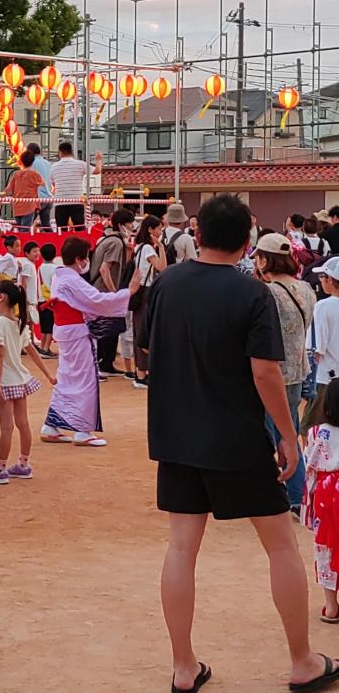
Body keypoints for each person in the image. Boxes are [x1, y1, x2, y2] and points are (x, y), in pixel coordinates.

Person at [141, 192, 339, 693]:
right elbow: (265, 372)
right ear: (247, 240)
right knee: (279, 545)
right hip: (237, 437)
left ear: (198, 234)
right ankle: (302, 662)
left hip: (177, 434)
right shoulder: (253, 293)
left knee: (181, 547)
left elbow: (146, 349)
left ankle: (183, 669)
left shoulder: (166, 284)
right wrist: (288, 436)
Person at [41, 236, 135, 446]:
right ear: (78, 259)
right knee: (85, 379)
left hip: (66, 330)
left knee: (67, 377)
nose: (86, 263)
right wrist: (128, 292)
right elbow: (97, 300)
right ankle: (82, 430)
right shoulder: (71, 279)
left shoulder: (60, 276)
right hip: (76, 332)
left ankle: (52, 425)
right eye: (84, 259)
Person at [253, 233, 315, 514]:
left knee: (271, 435)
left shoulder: (268, 293)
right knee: (289, 431)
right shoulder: (306, 289)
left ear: (266, 259)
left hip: (274, 371)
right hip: (298, 370)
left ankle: (282, 493)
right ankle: (296, 495)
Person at [0, 280, 56, 484]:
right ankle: (23, 464)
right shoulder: (18, 324)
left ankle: (1, 468)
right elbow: (31, 351)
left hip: (4, 382)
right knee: (23, 424)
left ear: (1, 297)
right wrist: (48, 373)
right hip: (20, 380)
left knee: (6, 427)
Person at [303, 380, 339, 624]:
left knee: (326, 546)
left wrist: (307, 504)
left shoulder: (317, 433)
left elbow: (310, 468)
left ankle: (331, 606)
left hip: (327, 494)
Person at [88, 208, 135, 377]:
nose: (132, 226)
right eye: (129, 223)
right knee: (109, 328)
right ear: (122, 224)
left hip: (100, 289)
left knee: (108, 327)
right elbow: (105, 268)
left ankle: (106, 363)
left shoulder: (107, 239)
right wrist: (114, 292)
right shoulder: (116, 242)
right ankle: (104, 363)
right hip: (105, 290)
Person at [302, 258, 339, 435]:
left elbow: (317, 346)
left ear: (331, 280)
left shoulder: (323, 306)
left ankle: (312, 460)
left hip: (326, 376)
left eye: (323, 276)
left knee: (310, 426)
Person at [131, 215, 167, 390]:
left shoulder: (138, 247)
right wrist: (160, 247)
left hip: (138, 291)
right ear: (150, 230)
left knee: (139, 330)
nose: (160, 231)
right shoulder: (148, 249)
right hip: (146, 291)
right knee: (145, 332)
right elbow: (162, 267)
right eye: (158, 228)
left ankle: (141, 372)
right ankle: (142, 374)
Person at [49, 142, 103, 231]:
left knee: (61, 230)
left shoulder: (54, 167)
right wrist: (98, 159)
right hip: (76, 200)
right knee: (79, 228)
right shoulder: (80, 164)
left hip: (60, 201)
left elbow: (53, 184)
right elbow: (97, 171)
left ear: (60, 153)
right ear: (72, 152)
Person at [2, 150, 45, 232]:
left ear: (21, 161)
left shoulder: (16, 174)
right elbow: (43, 183)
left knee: (20, 230)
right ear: (32, 162)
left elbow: (8, 189)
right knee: (25, 230)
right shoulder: (34, 174)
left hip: (17, 207)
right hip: (29, 206)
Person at [26, 142, 53, 231]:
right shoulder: (48, 163)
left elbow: (29, 180)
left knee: (27, 224)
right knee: (46, 224)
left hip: (37, 198)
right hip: (48, 198)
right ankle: (53, 240)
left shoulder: (32, 163)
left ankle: (26, 242)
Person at [37, 243, 58, 358]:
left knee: (44, 327)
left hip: (41, 299)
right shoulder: (55, 268)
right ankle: (46, 349)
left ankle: (42, 347)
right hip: (50, 300)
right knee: (50, 327)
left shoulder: (40, 267)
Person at [19, 240, 40, 328]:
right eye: (34, 251)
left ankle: (31, 341)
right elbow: (24, 282)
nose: (37, 253)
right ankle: (28, 341)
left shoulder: (30, 264)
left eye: (38, 251)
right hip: (28, 299)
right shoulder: (28, 265)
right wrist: (25, 298)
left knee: (30, 321)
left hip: (31, 299)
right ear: (27, 253)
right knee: (27, 321)